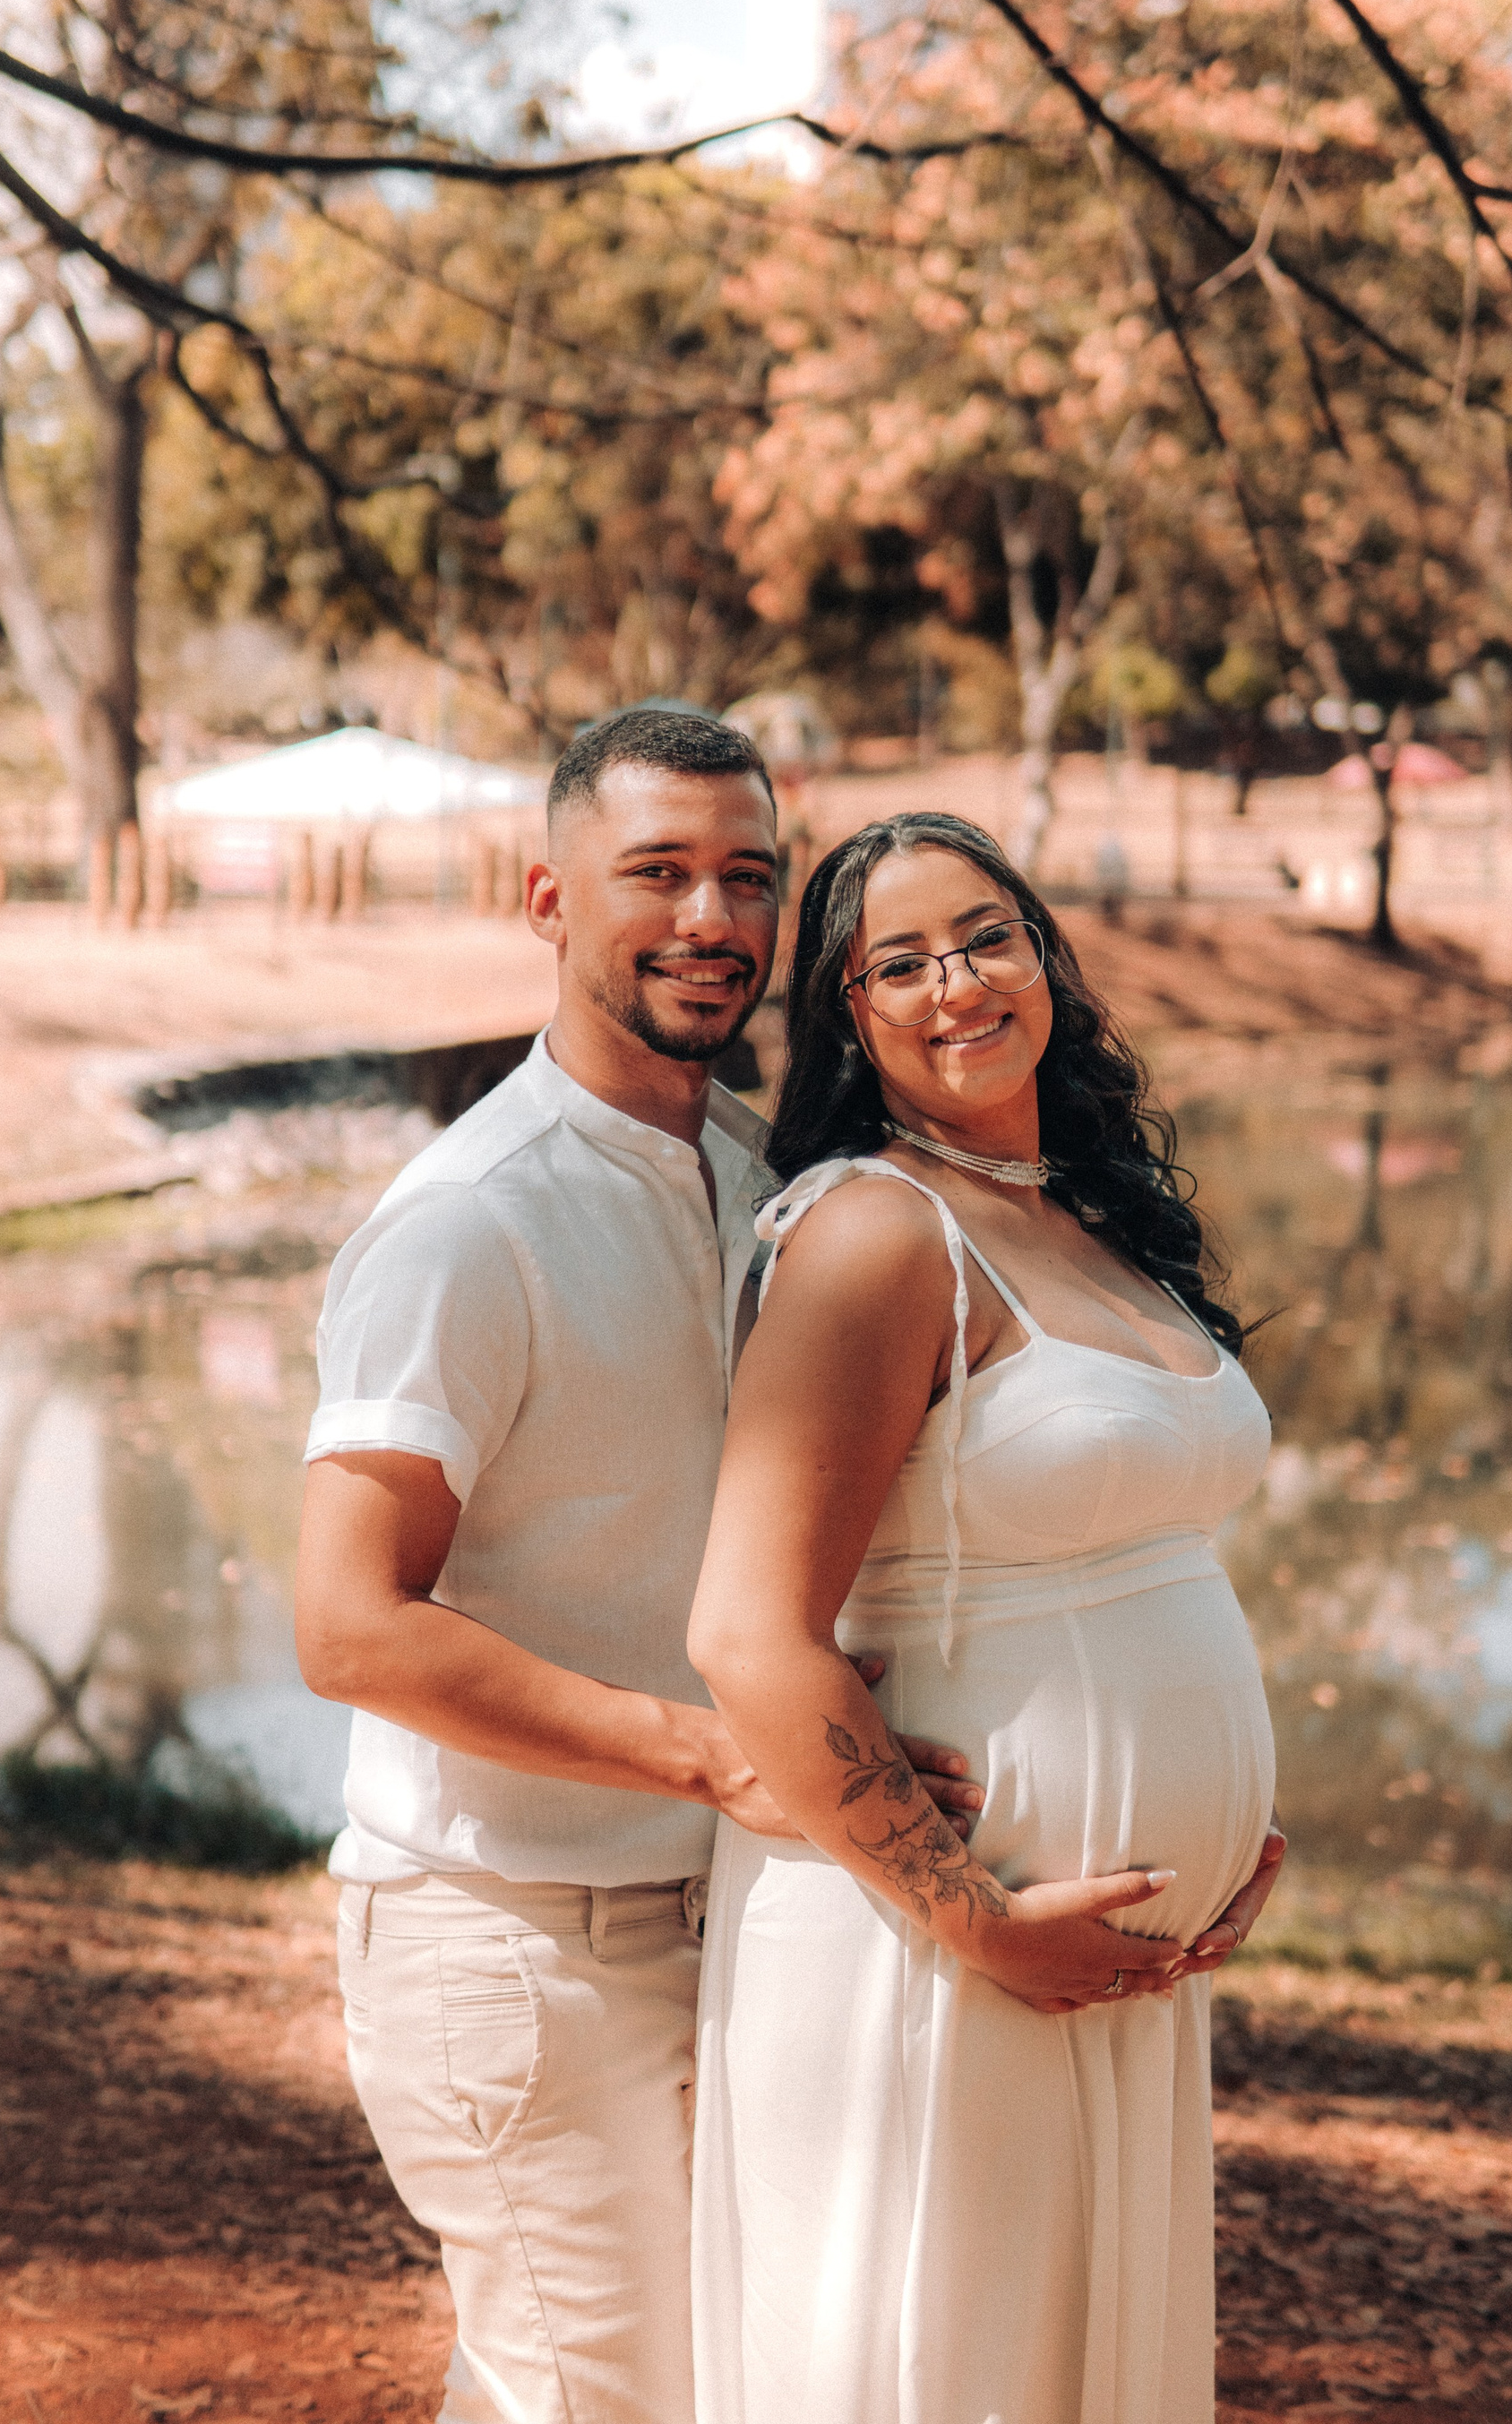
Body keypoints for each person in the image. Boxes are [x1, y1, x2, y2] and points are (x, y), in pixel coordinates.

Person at [294, 717, 984, 2424]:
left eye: (749, 877)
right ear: (550, 901)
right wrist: (711, 1754)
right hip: (516, 1943)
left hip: (734, 1922)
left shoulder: (771, 1183)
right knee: (596, 2397)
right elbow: (349, 1627)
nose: (711, 919)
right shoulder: (467, 1222)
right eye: (657, 874)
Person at [688, 810, 1287, 2424]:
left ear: (1043, 954)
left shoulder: (1090, 1217)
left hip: (1107, 1959)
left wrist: (1228, 1817)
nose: (955, 984)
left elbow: (1141, 1556)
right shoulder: (877, 1233)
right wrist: (974, 1917)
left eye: (984, 936)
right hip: (944, 1951)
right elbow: (747, 1633)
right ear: (846, 1019)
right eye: (898, 964)